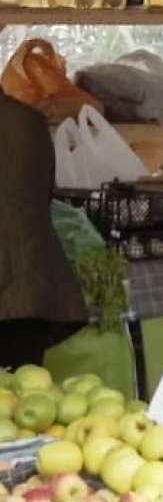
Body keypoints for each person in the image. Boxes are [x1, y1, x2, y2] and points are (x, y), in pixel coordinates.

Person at [0, 90, 88, 368]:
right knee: (18, 397)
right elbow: (42, 197)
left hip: (14, 290)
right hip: (32, 283)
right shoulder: (29, 120)